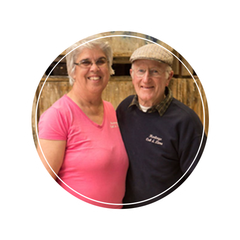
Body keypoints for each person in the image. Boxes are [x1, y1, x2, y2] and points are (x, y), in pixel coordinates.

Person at [37, 38, 129, 209]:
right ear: (72, 71)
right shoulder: (58, 116)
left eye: (101, 61)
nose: (95, 68)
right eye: (86, 62)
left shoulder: (110, 110)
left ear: (108, 68)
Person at [116, 43, 207, 208]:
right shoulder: (124, 109)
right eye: (140, 71)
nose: (146, 79)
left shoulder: (186, 122)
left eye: (155, 71)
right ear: (132, 74)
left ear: (169, 77)